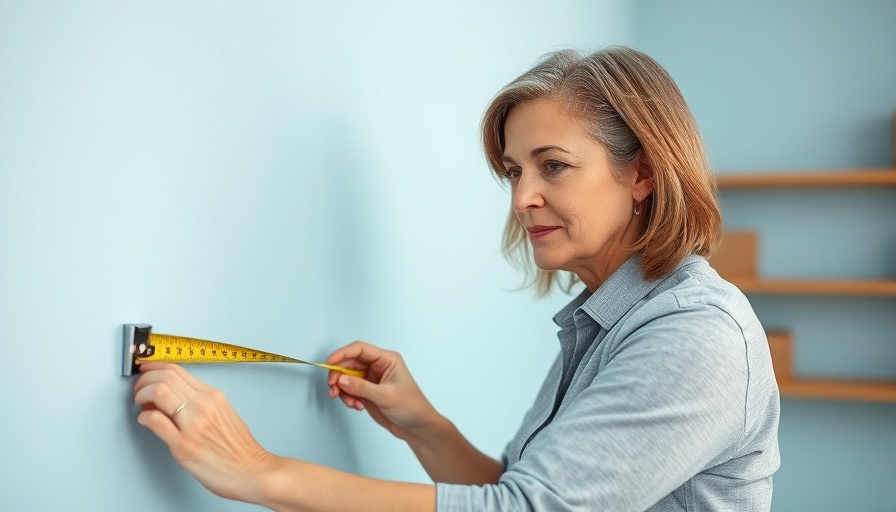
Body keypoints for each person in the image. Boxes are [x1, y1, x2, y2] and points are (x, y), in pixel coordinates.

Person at [133, 45, 780, 511]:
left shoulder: (697, 336)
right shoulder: (607, 318)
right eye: (512, 171)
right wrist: (423, 423)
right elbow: (521, 487)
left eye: (552, 166)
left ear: (642, 172)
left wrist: (259, 472)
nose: (522, 196)